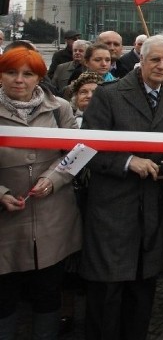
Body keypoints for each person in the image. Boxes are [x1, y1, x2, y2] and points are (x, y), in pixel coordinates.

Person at [80, 35, 163, 340]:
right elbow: (87, 148)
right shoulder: (109, 95)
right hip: (113, 206)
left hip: (152, 205)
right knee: (107, 290)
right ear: (141, 59)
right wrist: (128, 161)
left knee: (143, 288)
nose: (161, 66)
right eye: (155, 59)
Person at [0, 47, 80, 339]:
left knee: (47, 292)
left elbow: (77, 152)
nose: (18, 80)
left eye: (27, 74)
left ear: (39, 78)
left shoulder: (60, 108)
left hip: (52, 217)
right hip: (6, 221)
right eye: (11, 72)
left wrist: (54, 178)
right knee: (5, 296)